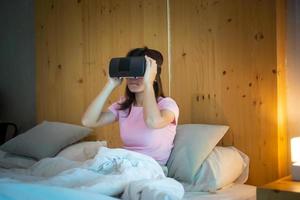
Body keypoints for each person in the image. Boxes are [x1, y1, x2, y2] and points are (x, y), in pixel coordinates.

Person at [81, 47, 179, 165]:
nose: (133, 78)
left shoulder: (167, 105)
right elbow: (88, 121)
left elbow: (153, 122)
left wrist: (148, 83)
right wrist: (110, 85)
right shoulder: (125, 105)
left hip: (150, 168)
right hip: (124, 163)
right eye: (131, 72)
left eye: (139, 73)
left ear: (153, 75)